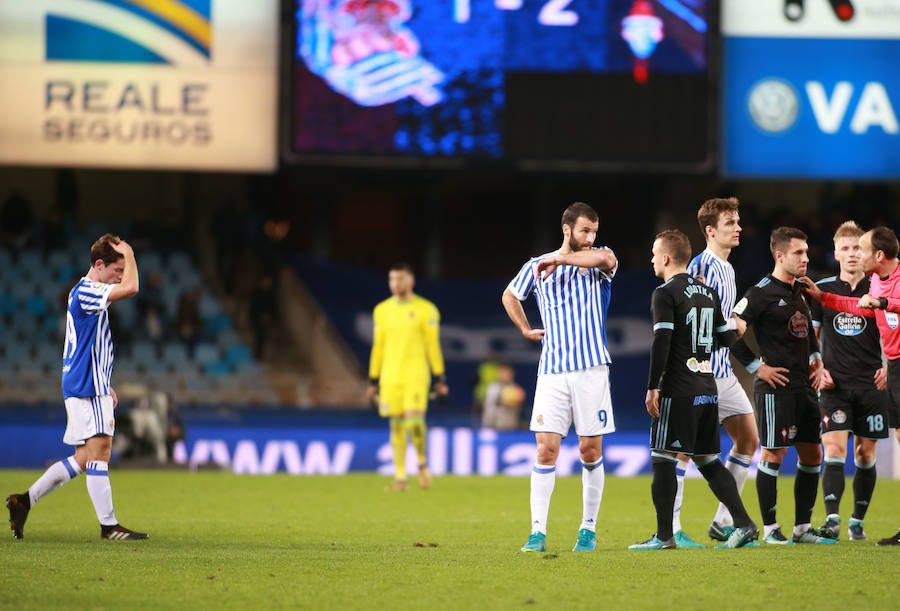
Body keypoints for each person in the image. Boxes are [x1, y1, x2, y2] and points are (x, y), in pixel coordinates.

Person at [6, 233, 149, 540]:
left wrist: (105, 381)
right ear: (99, 264)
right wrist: (129, 253)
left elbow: (89, 344)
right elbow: (132, 289)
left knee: (84, 458)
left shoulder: (83, 292)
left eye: (122, 271)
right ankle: (108, 526)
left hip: (86, 381)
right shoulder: (87, 291)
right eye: (117, 270)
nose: (120, 277)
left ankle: (24, 501)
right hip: (86, 385)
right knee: (101, 452)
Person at [630, 230, 758, 550]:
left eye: (654, 254)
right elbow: (727, 339)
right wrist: (748, 347)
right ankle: (744, 524)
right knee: (708, 461)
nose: (652, 260)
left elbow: (662, 340)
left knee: (662, 457)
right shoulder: (708, 292)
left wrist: (653, 386)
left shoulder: (665, 293)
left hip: (679, 387)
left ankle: (664, 537)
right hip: (707, 386)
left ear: (666, 258)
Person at [502, 202, 617, 554]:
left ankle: (588, 529)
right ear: (567, 229)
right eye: (584, 231)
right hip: (552, 370)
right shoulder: (536, 265)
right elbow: (510, 294)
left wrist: (562, 260)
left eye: (594, 231)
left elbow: (605, 259)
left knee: (589, 449)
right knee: (545, 449)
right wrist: (525, 329)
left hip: (591, 369)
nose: (591, 238)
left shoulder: (598, 259)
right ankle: (537, 533)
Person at [730, 227, 835, 545]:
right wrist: (756, 367)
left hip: (805, 387)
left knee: (812, 455)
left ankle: (802, 529)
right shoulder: (760, 292)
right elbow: (732, 330)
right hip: (775, 389)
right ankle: (771, 529)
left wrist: (817, 358)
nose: (805, 258)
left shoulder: (802, 289)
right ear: (779, 255)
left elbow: (806, 333)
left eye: (806, 252)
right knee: (773, 454)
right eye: (798, 253)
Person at [801, 225, 900, 546]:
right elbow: (815, 334)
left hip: (875, 381)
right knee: (834, 448)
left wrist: (886, 365)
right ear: (836, 253)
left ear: (873, 254)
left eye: (860, 248)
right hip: (838, 385)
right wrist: (818, 366)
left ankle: (857, 521)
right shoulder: (833, 287)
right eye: (846, 248)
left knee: (866, 452)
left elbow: (887, 318)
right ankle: (832, 520)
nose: (854, 254)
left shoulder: (880, 285)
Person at [685, 197, 760, 544]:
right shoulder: (702, 266)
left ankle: (723, 520)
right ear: (710, 230)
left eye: (738, 221)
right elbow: (696, 320)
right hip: (701, 372)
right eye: (730, 223)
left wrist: (734, 329)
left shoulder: (727, 268)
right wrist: (733, 326)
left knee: (748, 440)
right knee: (682, 450)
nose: (738, 228)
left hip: (723, 372)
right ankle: (671, 528)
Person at [367, 262, 448, 492]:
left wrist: (439, 377)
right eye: (392, 279)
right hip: (390, 376)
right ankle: (401, 478)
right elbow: (378, 346)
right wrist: (373, 379)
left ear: (410, 281)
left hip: (416, 374)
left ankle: (421, 462)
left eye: (400, 279)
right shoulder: (381, 310)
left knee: (414, 423)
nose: (395, 283)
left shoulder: (426, 309)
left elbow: (432, 345)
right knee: (396, 426)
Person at [481, 363, 525, 430]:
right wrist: (503, 401)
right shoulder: (493, 387)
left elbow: (519, 408)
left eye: (507, 373)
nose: (505, 375)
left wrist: (515, 403)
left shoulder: (515, 389)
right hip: (492, 425)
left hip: (509, 426)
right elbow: (489, 406)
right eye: (503, 373)